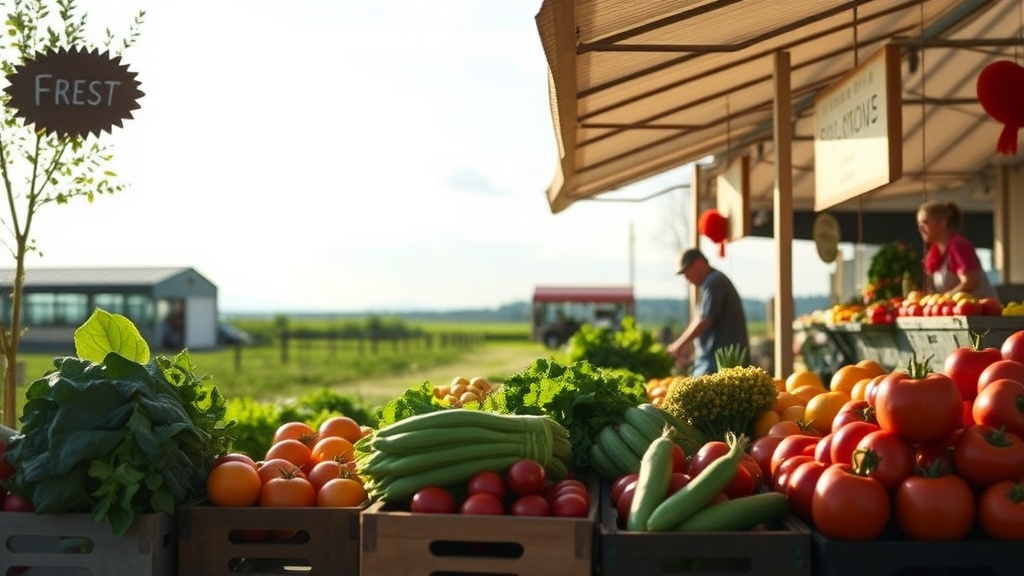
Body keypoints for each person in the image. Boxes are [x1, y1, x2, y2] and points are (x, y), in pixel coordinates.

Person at [667, 248, 750, 376]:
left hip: (719, 361)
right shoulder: (711, 282)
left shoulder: (714, 282)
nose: (686, 278)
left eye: (686, 271)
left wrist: (679, 345)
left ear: (699, 262)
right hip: (718, 359)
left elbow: (704, 321)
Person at [916, 200, 998, 301]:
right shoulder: (934, 253)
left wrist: (945, 298)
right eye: (919, 224)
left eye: (925, 222)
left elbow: (971, 281)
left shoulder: (958, 245)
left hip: (982, 311)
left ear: (942, 222)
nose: (920, 228)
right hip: (957, 311)